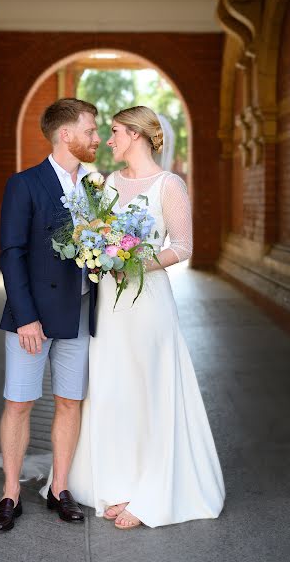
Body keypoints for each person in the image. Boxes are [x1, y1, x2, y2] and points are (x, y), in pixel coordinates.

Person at [41, 105, 225, 529]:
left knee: (148, 389)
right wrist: (94, 252)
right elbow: (91, 234)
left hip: (147, 303)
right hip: (108, 304)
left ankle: (150, 491)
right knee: (113, 388)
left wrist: (133, 263)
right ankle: (115, 480)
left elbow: (183, 246)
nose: (108, 140)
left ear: (138, 135)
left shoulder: (169, 185)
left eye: (116, 132)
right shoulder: (105, 184)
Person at [0, 98, 101, 532]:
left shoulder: (94, 189)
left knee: (70, 402)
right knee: (19, 402)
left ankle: (60, 488)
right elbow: (11, 254)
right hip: (32, 317)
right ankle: (11, 493)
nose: (96, 138)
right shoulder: (25, 184)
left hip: (79, 313)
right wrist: (25, 317)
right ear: (65, 135)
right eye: (90, 130)